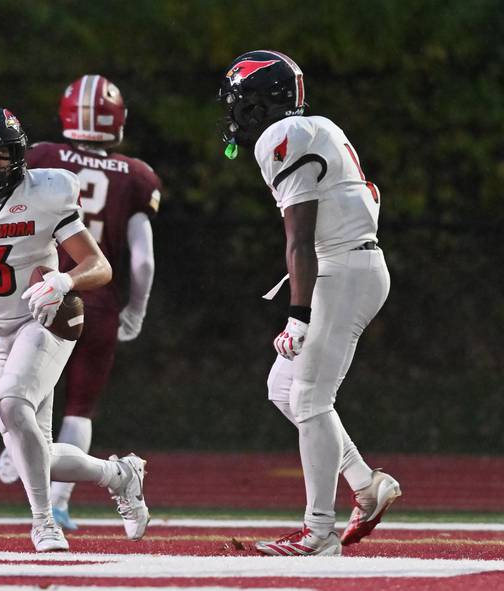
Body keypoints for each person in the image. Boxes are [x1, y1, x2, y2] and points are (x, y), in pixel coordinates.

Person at [0, 102, 150, 552]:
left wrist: (63, 279)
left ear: (19, 153)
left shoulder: (47, 191)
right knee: (30, 454)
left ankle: (45, 523)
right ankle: (120, 476)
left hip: (49, 318)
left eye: (1, 153)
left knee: (12, 400)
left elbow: (98, 266)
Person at [217, 51, 402, 556]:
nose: (235, 113)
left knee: (310, 400)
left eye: (241, 102)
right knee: (283, 388)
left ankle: (319, 532)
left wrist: (298, 316)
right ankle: (365, 483)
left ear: (264, 101)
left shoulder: (284, 137)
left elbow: (298, 238)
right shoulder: (316, 128)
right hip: (346, 264)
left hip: (341, 268)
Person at [0, 75, 161, 531]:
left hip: (39, 292)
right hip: (98, 296)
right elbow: (143, 261)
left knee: (27, 391)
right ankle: (61, 502)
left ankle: (21, 450)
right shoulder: (135, 174)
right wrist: (136, 310)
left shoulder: (44, 156)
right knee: (79, 407)